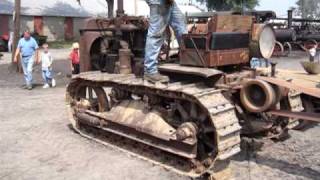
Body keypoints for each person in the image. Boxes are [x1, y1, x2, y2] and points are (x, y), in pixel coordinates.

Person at [144, 0, 187, 83]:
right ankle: (150, 71)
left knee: (181, 28)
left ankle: (188, 59)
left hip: (168, 2)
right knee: (156, 34)